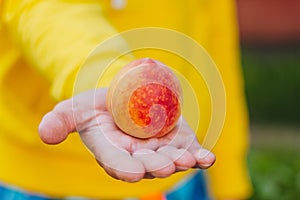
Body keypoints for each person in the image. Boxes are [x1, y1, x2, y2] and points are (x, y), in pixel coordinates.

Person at [0, 0, 252, 199]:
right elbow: (49, 10)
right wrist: (112, 80)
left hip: (181, 168)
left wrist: (228, 176)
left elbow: (213, 34)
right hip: (40, 180)